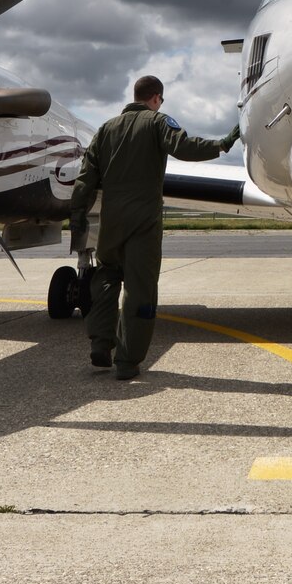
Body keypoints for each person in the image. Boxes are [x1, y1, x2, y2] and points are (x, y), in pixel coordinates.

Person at [70, 75, 239, 380]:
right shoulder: (157, 122)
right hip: (143, 222)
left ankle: (100, 341)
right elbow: (184, 147)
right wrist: (223, 145)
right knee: (140, 290)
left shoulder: (105, 129)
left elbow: (85, 179)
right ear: (156, 98)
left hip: (111, 222)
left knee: (106, 276)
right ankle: (126, 361)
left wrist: (77, 217)